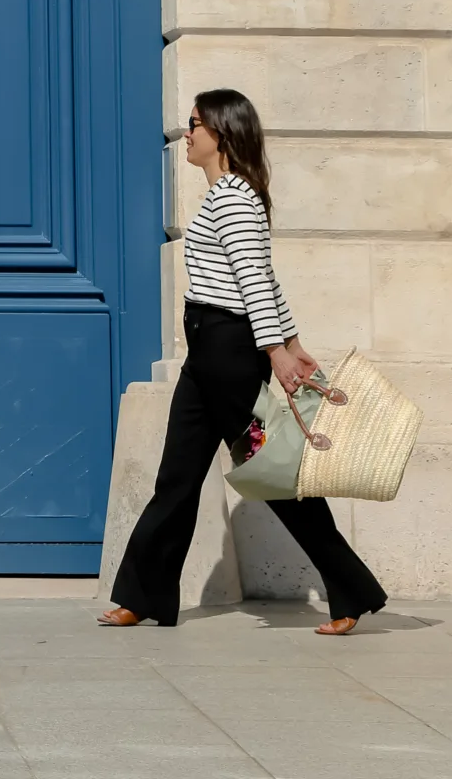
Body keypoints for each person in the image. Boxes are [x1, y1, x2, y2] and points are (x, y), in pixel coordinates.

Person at [98, 88, 387, 635]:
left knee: (271, 475)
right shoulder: (225, 196)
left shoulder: (233, 197)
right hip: (207, 357)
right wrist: (292, 339)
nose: (186, 134)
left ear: (221, 134)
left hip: (230, 358)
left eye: (194, 125)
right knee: (177, 479)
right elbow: (261, 277)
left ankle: (351, 592)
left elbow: (253, 281)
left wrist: (278, 352)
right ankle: (144, 596)